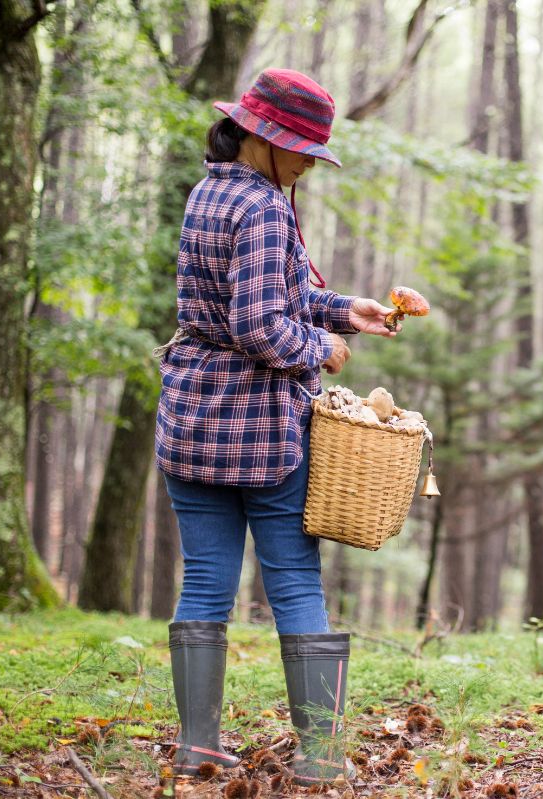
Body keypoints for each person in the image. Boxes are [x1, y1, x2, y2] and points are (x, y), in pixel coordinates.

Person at [153, 68, 396, 786]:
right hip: (261, 429)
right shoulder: (261, 207)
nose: (306, 167)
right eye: (300, 151)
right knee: (293, 581)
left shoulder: (210, 191)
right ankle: (320, 756)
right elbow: (259, 323)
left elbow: (265, 293)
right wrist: (323, 347)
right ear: (262, 137)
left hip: (193, 418)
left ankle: (197, 745)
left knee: (204, 583)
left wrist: (342, 307)